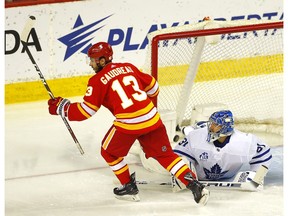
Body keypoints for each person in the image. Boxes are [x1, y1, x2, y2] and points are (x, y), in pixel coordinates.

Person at [47, 42, 209, 205]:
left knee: (108, 152)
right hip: (152, 118)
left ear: (103, 61)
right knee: (166, 156)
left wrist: (62, 108)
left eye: (93, 60)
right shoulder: (128, 67)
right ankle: (195, 186)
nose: (90, 63)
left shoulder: (96, 81)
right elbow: (153, 87)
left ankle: (128, 187)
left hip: (129, 124)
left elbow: (85, 112)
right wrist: (146, 108)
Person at [172, 110, 272, 191]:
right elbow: (178, 155)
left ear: (225, 128)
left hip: (228, 176)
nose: (210, 127)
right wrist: (182, 172)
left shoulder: (244, 141)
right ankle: (187, 128)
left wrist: (257, 176)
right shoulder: (195, 136)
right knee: (191, 131)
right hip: (198, 173)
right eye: (211, 123)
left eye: (216, 125)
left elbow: (264, 153)